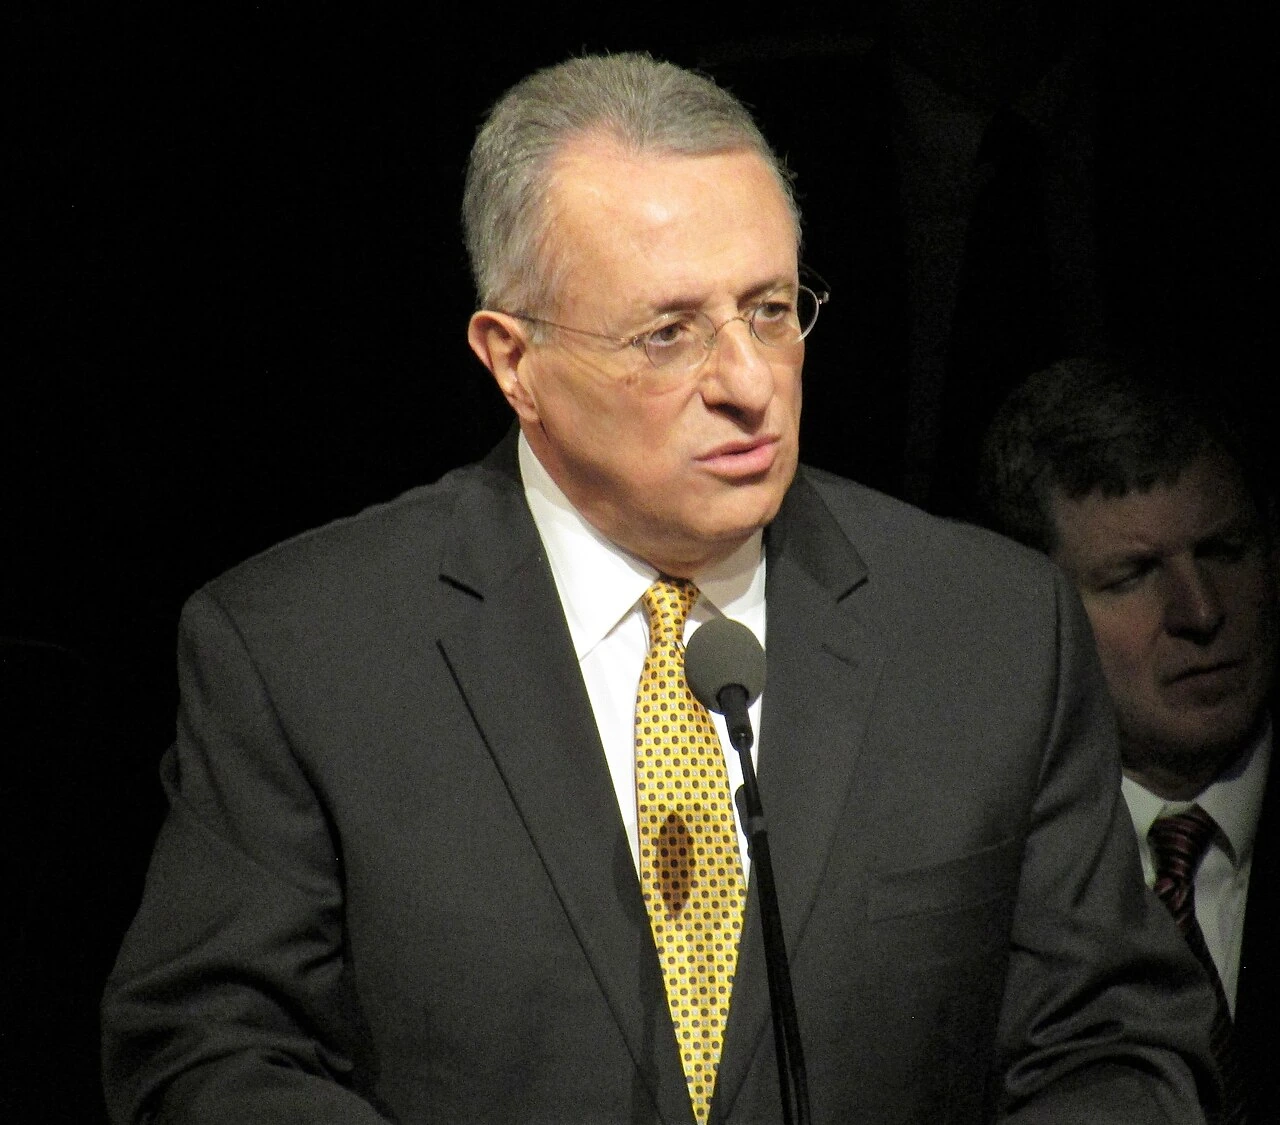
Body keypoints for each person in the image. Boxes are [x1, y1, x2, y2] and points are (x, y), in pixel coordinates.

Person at [102, 55, 1217, 1124]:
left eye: (771, 311)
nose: (745, 384)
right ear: (511, 358)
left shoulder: (987, 630)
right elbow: (208, 1052)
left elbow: (1117, 1043)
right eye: (669, 333)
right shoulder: (302, 650)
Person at [978, 355, 1278, 1121]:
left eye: (1224, 551)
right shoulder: (986, 871)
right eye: (1135, 574)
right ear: (1033, 612)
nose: (1201, 611)